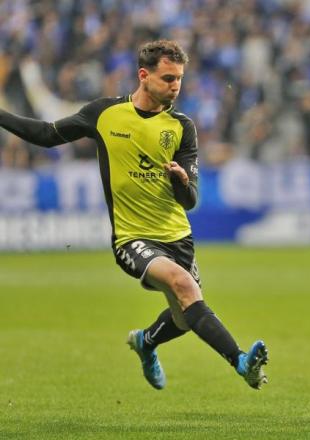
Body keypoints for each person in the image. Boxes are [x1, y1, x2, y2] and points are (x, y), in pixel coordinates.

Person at [0, 40, 268, 391]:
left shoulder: (182, 127)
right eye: (168, 78)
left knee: (185, 317)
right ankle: (242, 362)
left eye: (180, 79)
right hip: (133, 238)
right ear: (144, 75)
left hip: (178, 237)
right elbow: (48, 135)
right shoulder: (105, 114)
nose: (176, 86)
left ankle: (146, 342)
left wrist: (182, 181)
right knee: (184, 286)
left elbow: (189, 201)